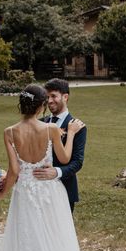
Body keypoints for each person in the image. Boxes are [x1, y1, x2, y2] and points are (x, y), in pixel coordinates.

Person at [0, 84, 94, 251]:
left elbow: (14, 171)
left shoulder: (9, 132)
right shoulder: (50, 129)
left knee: (28, 242)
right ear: (41, 106)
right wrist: (71, 134)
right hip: (50, 193)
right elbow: (64, 159)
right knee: (55, 241)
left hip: (25, 194)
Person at [32, 78, 87, 212]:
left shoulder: (77, 126)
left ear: (65, 97)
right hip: (39, 188)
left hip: (65, 188)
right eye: (47, 97)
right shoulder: (39, 123)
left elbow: (77, 162)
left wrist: (56, 172)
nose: (49, 101)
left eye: (53, 96)